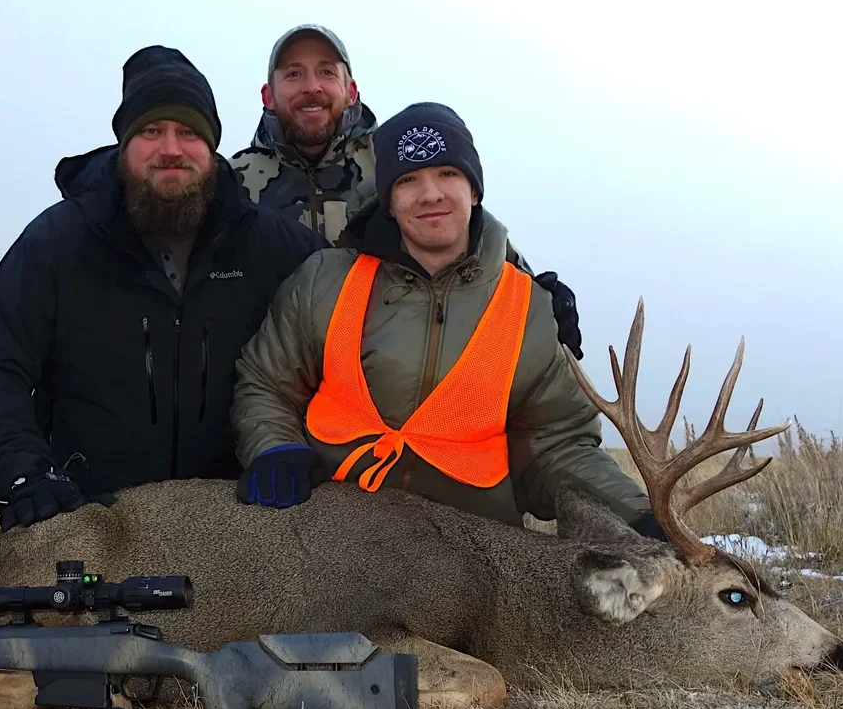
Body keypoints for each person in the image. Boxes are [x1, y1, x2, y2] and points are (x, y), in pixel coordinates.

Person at [229, 103, 661, 538]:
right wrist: (274, 447)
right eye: (408, 180)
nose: (430, 193)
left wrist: (639, 519)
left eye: (447, 174)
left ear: (474, 190)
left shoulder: (527, 306)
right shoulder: (325, 279)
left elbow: (558, 445)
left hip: (474, 551)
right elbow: (266, 385)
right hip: (334, 538)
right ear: (390, 202)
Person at [0, 46, 329, 531]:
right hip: (90, 514)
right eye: (151, 131)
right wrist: (27, 473)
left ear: (212, 147)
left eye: (189, 132)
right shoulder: (57, 241)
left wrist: (288, 450)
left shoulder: (277, 246)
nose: (170, 148)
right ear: (124, 143)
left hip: (241, 517)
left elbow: (345, 336)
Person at [229, 24, 585, 359]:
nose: (312, 87)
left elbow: (466, 227)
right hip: (275, 370)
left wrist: (536, 295)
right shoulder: (233, 183)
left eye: (326, 72)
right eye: (293, 74)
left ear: (351, 91)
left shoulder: (396, 161)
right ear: (268, 95)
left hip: (383, 374)